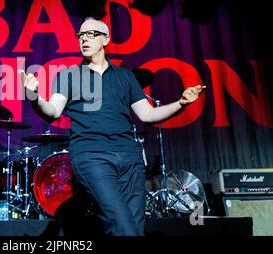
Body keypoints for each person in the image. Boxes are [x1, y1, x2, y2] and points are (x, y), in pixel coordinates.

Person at [18, 17, 206, 236]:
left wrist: (181, 103)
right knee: (122, 224)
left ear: (106, 39)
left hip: (130, 159)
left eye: (91, 34)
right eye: (81, 35)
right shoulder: (69, 76)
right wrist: (34, 96)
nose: (84, 40)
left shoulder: (125, 77)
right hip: (92, 157)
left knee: (135, 226)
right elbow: (52, 111)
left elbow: (148, 114)